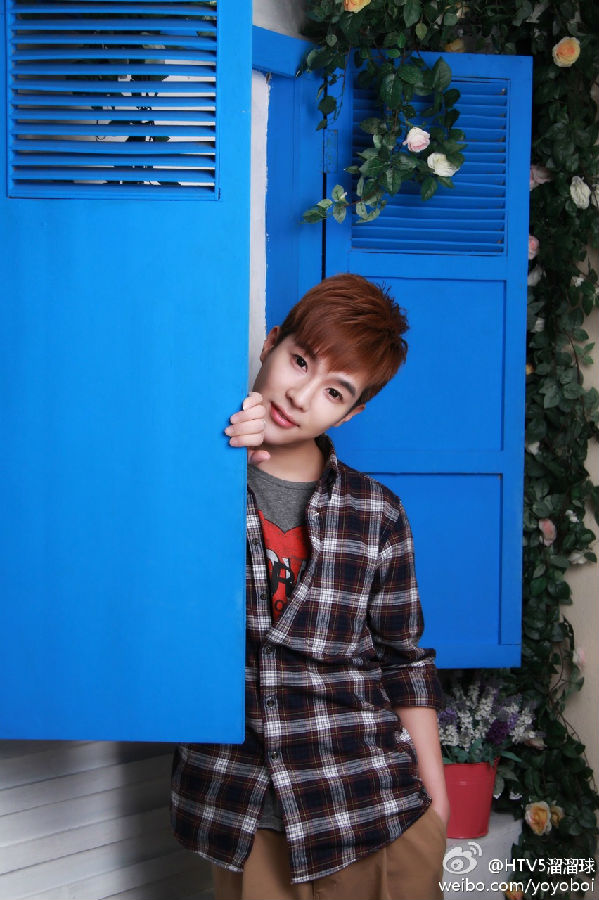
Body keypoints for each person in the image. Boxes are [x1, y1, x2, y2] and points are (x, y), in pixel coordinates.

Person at [171, 274, 448, 900]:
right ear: (270, 343)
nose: (300, 395)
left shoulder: (376, 513)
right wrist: (206, 464)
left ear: (352, 413)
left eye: (334, 390)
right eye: (299, 360)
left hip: (376, 811)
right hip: (244, 820)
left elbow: (404, 660)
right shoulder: (189, 484)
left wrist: (438, 804)